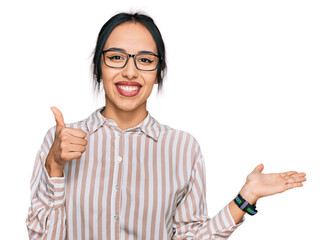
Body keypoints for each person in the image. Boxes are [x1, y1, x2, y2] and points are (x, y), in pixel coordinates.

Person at [26, 12, 307, 240]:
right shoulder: (59, 141)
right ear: (98, 67)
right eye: (116, 57)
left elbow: (188, 237)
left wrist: (246, 198)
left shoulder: (183, 148)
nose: (130, 71)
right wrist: (55, 167)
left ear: (159, 73)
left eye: (145, 60)